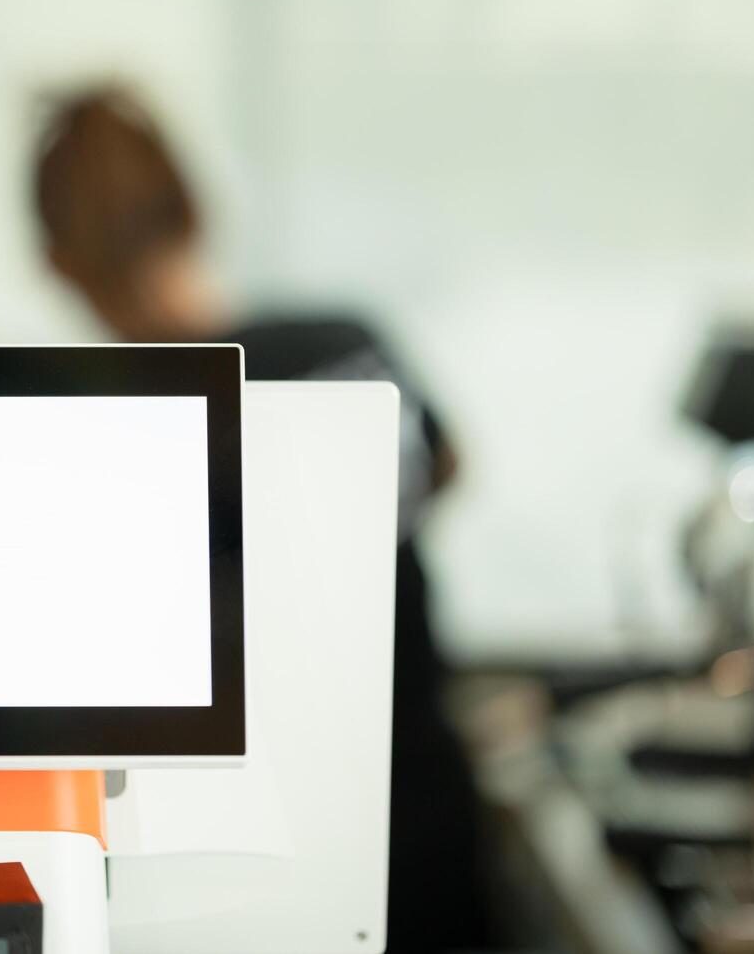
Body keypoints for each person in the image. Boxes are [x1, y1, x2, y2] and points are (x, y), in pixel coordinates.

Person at [32, 85, 491, 951]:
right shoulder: (349, 346)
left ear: (57, 261)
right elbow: (453, 462)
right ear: (194, 208)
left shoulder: (110, 427)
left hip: (226, 882)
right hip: (420, 814)